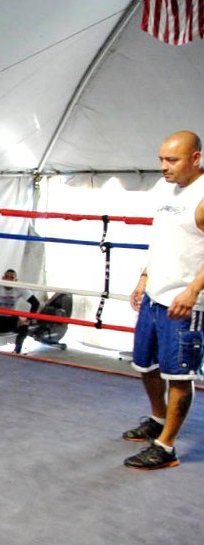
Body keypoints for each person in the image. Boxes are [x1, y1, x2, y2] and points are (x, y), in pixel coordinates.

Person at [123, 130, 204, 470]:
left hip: (184, 303)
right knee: (146, 365)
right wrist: (145, 277)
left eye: (172, 160)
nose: (164, 167)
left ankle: (166, 447)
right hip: (155, 295)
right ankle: (158, 419)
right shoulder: (164, 189)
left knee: (179, 375)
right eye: (161, 159)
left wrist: (193, 290)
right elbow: (160, 239)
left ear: (195, 158)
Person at [0, 269, 41, 353]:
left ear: (15, 280)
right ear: (3, 278)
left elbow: (35, 303)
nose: (8, 280)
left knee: (24, 327)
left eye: (11, 278)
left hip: (10, 318)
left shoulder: (20, 288)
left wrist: (28, 320)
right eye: (6, 277)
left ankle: (17, 351)